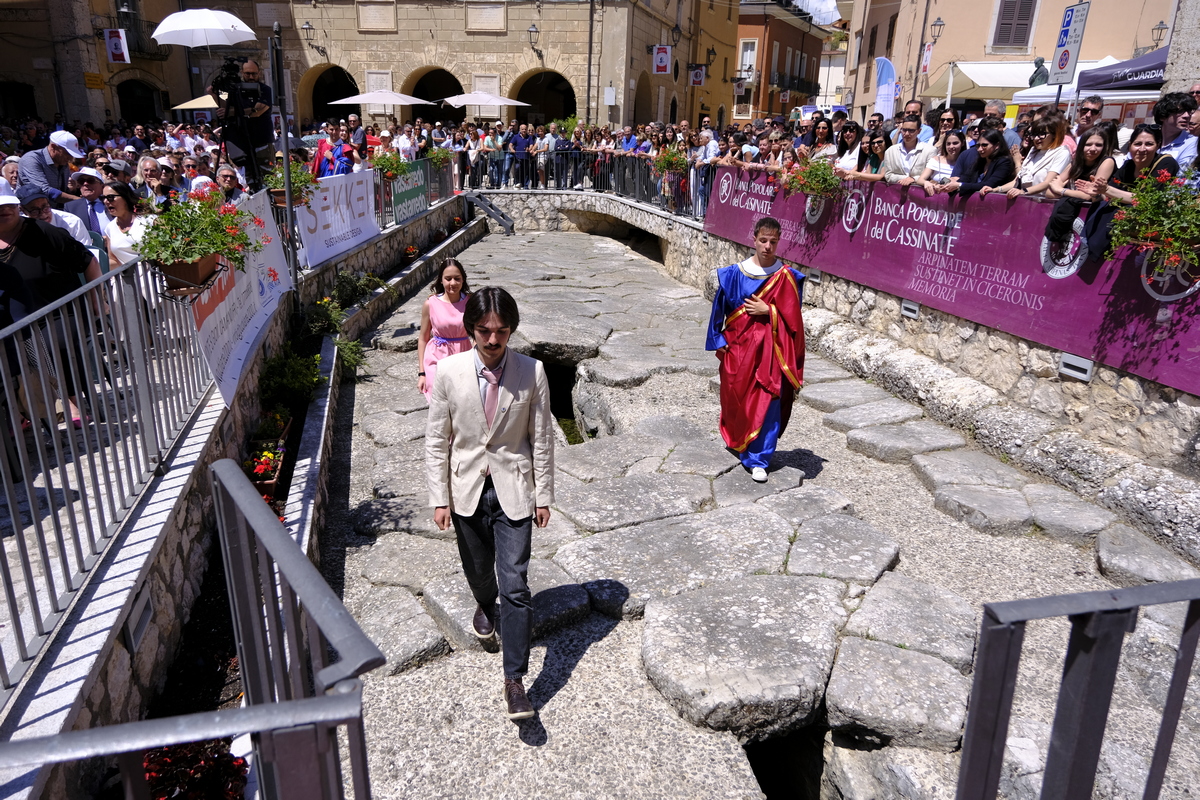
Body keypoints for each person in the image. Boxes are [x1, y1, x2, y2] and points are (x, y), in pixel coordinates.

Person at [425, 286, 555, 721]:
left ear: (512, 329)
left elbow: (541, 438)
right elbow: (436, 441)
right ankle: (484, 603)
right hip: (466, 489)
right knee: (480, 573)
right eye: (484, 330)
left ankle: (514, 681)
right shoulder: (448, 372)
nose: (493, 339)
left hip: (514, 488)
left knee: (515, 585)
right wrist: (439, 498)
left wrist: (543, 494)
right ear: (471, 329)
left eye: (501, 331)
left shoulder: (532, 372)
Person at [706, 217, 804, 484]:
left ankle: (759, 459)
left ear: (779, 241)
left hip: (770, 353)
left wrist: (768, 310)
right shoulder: (734, 274)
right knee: (736, 400)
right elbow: (719, 310)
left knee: (767, 401)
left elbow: (794, 322)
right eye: (763, 240)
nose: (767, 246)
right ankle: (740, 441)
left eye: (773, 241)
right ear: (754, 239)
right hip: (738, 349)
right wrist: (719, 340)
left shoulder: (785, 277)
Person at [1043, 126, 1117, 258]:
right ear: (1082, 145)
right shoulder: (1075, 163)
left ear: (1104, 146)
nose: (1093, 149)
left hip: (1097, 218)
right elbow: (1049, 192)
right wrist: (1066, 191)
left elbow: (1092, 196)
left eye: (1098, 145)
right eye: (1088, 144)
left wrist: (1062, 190)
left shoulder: (1107, 161)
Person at [417, 259, 472, 399]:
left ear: (463, 279)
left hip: (464, 356)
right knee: (438, 399)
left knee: (461, 400)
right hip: (436, 357)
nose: (453, 283)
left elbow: (479, 332)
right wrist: (422, 373)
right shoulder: (430, 304)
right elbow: (423, 338)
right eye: (448, 279)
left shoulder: (471, 302)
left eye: (457, 278)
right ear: (441, 280)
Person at [982, 116, 1070, 199]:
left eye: (1042, 134)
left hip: (1045, 204)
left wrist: (1024, 191)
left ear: (1054, 134)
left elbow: (1048, 182)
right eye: (1034, 134)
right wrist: (995, 189)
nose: (1036, 138)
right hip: (1025, 202)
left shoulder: (1062, 152)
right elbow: (1017, 181)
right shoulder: (1033, 151)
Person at [17, 131, 84, 207]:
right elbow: (44, 190)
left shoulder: (63, 164)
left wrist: (74, 191)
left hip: (54, 210)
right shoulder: (32, 159)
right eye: (67, 153)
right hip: (31, 211)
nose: (71, 158)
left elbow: (62, 191)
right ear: (53, 147)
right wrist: (78, 200)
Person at [17, 185, 91, 247]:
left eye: (45, 207)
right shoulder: (19, 227)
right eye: (34, 211)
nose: (43, 214)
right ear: (23, 211)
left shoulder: (72, 223)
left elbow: (88, 253)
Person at [953, 129, 1016, 198]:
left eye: (984, 145)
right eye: (978, 145)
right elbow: (965, 178)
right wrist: (949, 185)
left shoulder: (1004, 162)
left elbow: (989, 184)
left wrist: (959, 185)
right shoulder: (980, 161)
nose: (979, 149)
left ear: (997, 145)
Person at [882, 115, 935, 185]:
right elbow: (888, 175)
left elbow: (931, 175)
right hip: (896, 190)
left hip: (918, 191)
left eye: (911, 130)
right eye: (904, 130)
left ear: (919, 131)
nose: (906, 134)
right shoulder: (890, 151)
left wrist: (914, 179)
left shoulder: (930, 151)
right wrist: (907, 178)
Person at [1152, 92, 1197, 168]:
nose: (1186, 115)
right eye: (1179, 111)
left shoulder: (1193, 143)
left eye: (1189, 111)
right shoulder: (1147, 139)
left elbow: (1184, 172)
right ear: (1163, 116)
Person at [63, 167, 110, 234]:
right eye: (81, 181)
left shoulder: (111, 203)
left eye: (91, 180)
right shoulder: (71, 208)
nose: (85, 184)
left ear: (102, 185)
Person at [918, 130, 965, 195]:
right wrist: (926, 183)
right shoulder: (935, 160)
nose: (951, 146)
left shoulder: (966, 163)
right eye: (948, 144)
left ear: (962, 143)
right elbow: (920, 180)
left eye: (955, 143)